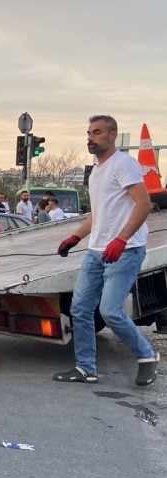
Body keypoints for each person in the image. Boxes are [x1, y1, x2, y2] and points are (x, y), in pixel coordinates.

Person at [54, 115, 159, 386]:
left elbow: (144, 205)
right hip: (95, 251)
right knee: (80, 309)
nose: (91, 137)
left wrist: (121, 240)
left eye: (97, 132)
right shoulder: (97, 171)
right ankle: (85, 368)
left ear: (113, 135)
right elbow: (98, 213)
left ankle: (147, 356)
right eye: (89, 133)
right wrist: (76, 237)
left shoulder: (124, 164)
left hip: (126, 251)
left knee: (110, 311)